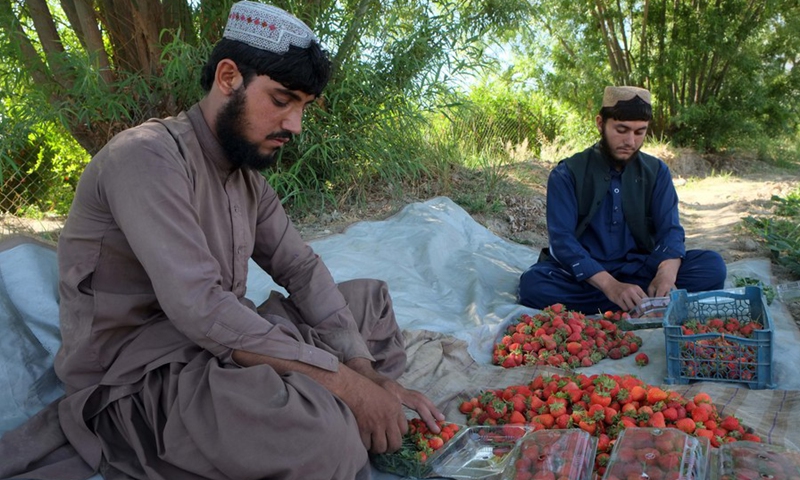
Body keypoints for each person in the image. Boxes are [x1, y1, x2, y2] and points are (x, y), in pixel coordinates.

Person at [0, 2, 443, 479]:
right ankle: (338, 415)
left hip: (219, 346)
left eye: (303, 108)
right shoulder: (145, 157)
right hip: (144, 376)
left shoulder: (246, 177)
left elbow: (300, 268)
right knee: (323, 437)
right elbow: (201, 307)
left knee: (366, 304)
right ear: (229, 77)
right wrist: (348, 388)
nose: (294, 125)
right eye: (281, 100)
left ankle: (342, 402)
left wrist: (365, 372)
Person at [518, 86, 726, 315]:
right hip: (588, 276)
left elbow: (671, 231)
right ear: (600, 123)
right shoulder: (567, 174)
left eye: (639, 132)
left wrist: (666, 274)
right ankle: (642, 301)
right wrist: (611, 287)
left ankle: (637, 298)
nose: (630, 141)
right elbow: (562, 242)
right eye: (622, 129)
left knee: (712, 266)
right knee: (533, 285)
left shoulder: (656, 171)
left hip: (642, 268)